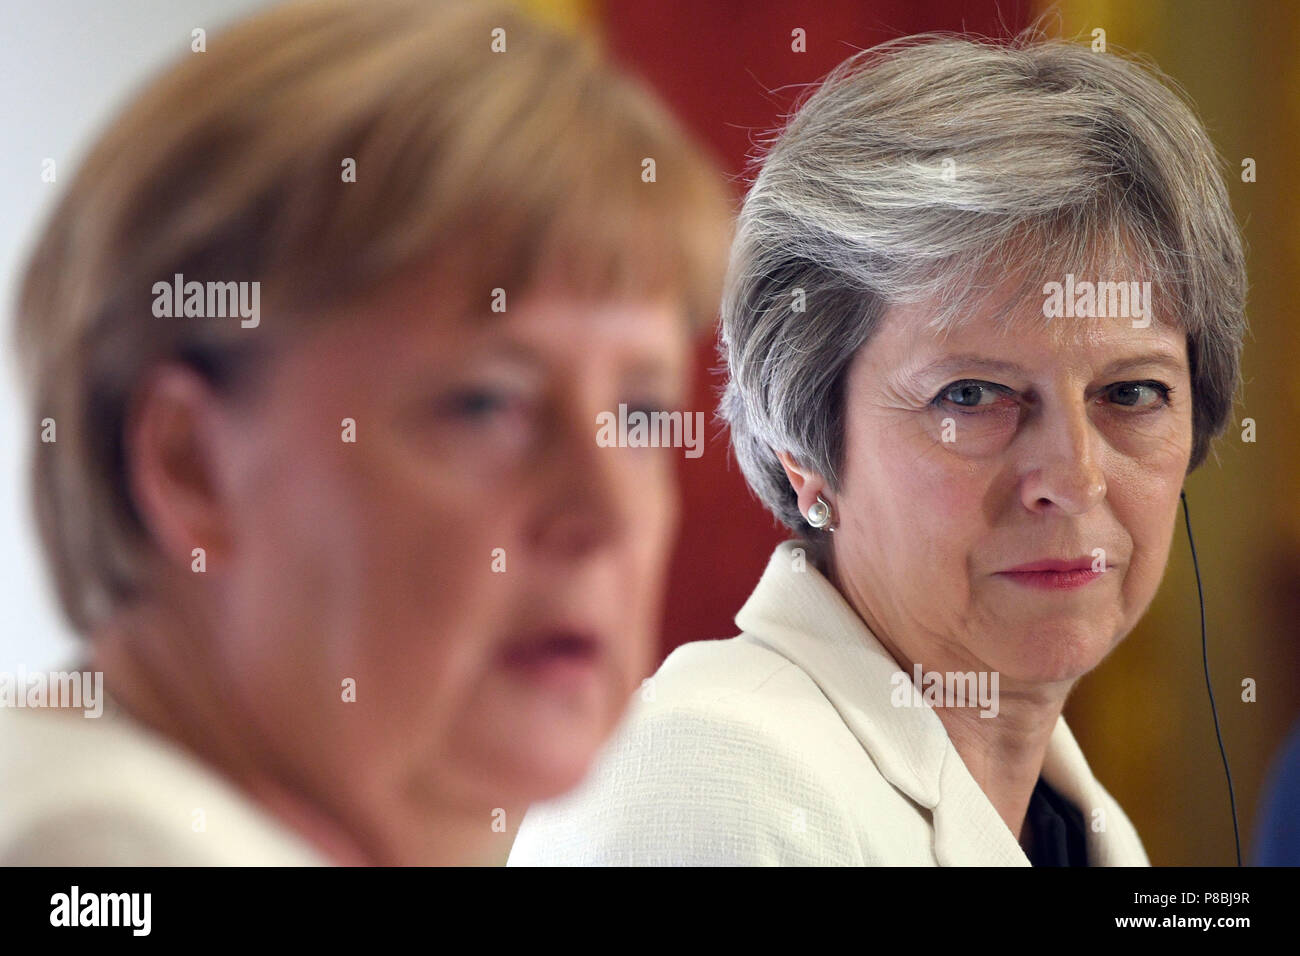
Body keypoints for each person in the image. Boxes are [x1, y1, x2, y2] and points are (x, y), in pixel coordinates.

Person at [2, 0, 731, 865]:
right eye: (486, 405)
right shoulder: (106, 854)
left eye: (640, 415)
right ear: (190, 466)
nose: (607, 514)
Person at [509, 31, 1246, 866]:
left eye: (1130, 393)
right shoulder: (709, 779)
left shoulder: (1074, 822)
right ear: (806, 449)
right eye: (970, 397)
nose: (1073, 479)